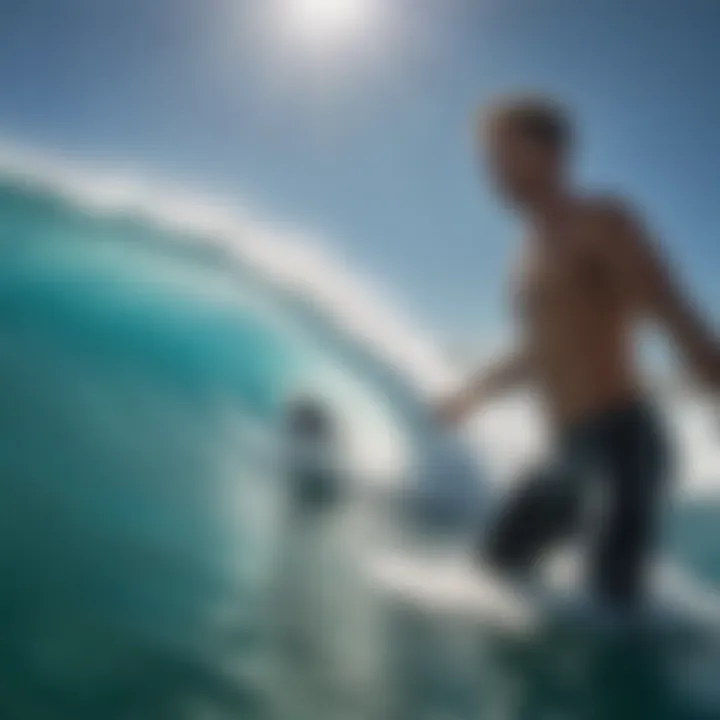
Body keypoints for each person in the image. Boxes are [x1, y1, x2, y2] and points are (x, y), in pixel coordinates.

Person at [437, 95, 720, 610]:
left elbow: (667, 304)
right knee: (490, 572)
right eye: (487, 161)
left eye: (504, 155)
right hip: (566, 450)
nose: (492, 174)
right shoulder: (524, 261)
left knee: (610, 608)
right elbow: (538, 353)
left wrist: (714, 382)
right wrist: (469, 396)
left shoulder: (601, 221)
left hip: (623, 442)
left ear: (552, 152)